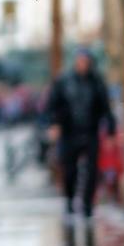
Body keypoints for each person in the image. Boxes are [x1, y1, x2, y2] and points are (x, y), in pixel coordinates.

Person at [46, 46, 116, 220]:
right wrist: (54, 124)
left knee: (92, 170)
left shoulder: (97, 81)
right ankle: (70, 201)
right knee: (70, 170)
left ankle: (87, 205)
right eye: (80, 61)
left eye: (85, 61)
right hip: (69, 132)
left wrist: (111, 131)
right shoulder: (64, 80)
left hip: (91, 132)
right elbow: (53, 104)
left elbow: (106, 108)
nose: (82, 64)